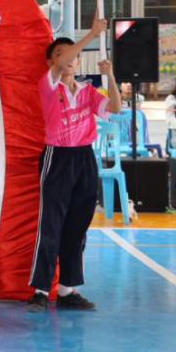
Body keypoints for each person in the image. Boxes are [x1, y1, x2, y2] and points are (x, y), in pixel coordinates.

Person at [27, 17, 122, 313]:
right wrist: (92, 34)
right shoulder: (48, 84)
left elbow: (115, 107)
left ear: (79, 63)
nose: (68, 59)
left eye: (73, 56)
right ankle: (41, 291)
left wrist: (110, 76)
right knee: (50, 225)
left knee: (77, 226)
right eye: (60, 54)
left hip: (84, 159)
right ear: (51, 62)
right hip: (57, 157)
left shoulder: (87, 91)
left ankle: (68, 290)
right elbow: (61, 62)